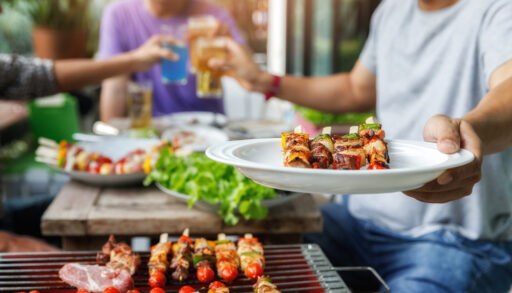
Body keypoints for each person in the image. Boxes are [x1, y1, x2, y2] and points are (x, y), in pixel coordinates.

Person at [210, 0, 512, 292]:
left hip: (457, 241)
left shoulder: (497, 9)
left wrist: (469, 128)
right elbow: (356, 89)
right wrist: (265, 81)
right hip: (358, 222)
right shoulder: (392, 10)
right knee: (250, 262)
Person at [0, 35, 176, 252]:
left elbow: (35, 75)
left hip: (5, 214)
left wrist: (134, 60)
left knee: (108, 214)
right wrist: (11, 245)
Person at [98, 0, 246, 122]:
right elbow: (115, 88)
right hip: (151, 131)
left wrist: (228, 48)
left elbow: (248, 72)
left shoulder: (214, 15)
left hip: (208, 128)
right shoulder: (118, 14)